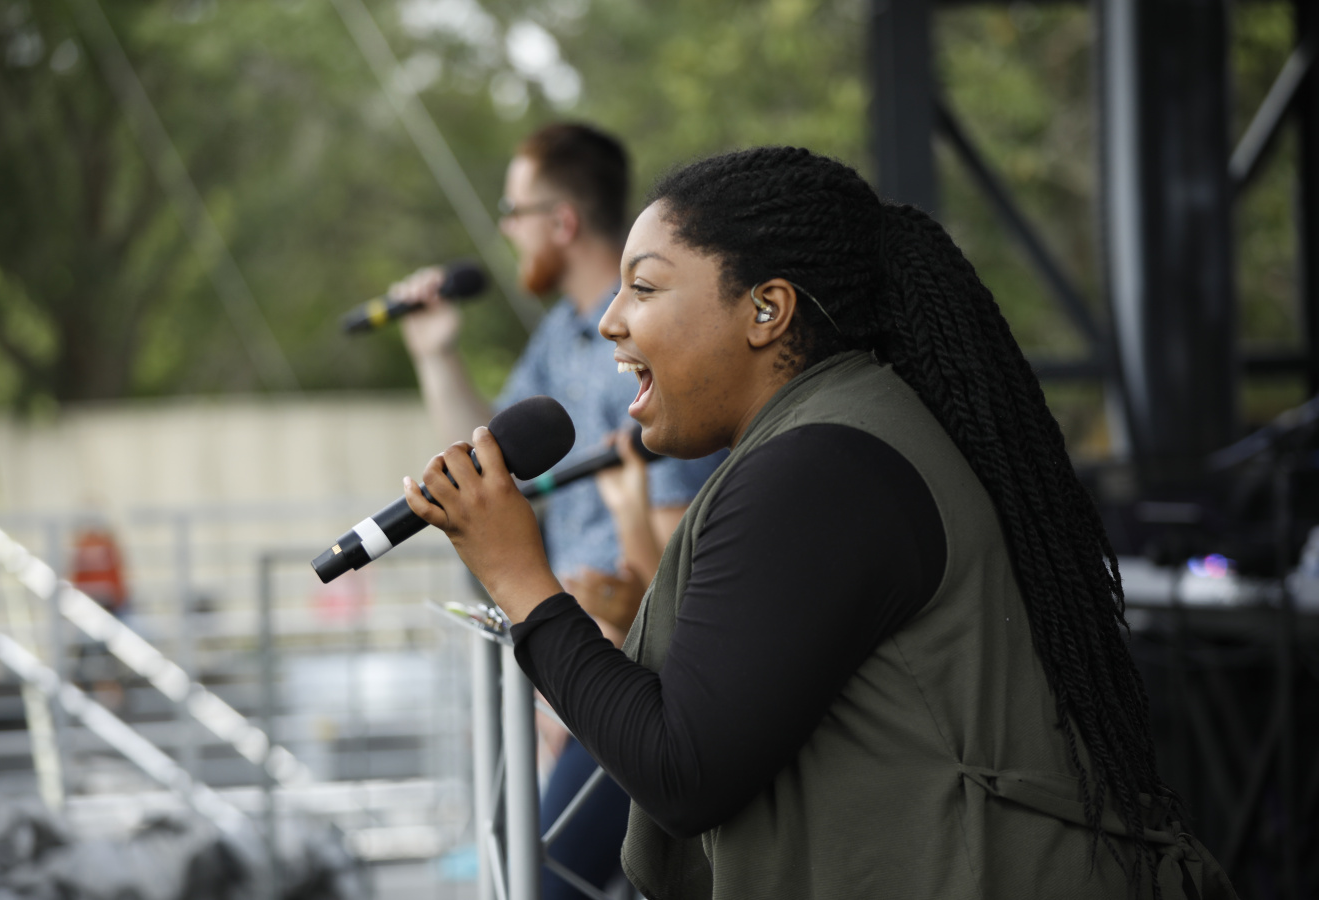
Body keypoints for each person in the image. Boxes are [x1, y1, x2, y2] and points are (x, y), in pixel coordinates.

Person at [401, 146, 1239, 899]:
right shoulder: (835, 438)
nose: (610, 319)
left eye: (645, 287)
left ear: (767, 310)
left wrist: (519, 578)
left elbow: (683, 771)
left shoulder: (817, 470)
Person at [390, 122, 722, 898]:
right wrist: (436, 352)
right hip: (578, 662)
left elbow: (680, 551)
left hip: (636, 674)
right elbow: (485, 463)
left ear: (563, 221)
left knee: (548, 880)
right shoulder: (563, 335)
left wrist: (587, 647)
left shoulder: (652, 343)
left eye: (514, 211)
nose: (507, 230)